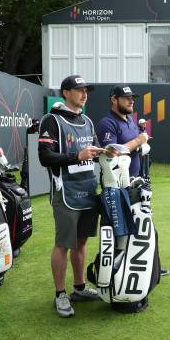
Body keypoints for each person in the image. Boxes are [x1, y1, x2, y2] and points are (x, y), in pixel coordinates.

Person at [38, 75, 104, 318]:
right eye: (79, 90)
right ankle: (60, 294)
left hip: (88, 190)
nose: (84, 94)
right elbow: (45, 157)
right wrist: (78, 156)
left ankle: (79, 287)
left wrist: (105, 153)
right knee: (63, 244)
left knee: (82, 241)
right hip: (65, 191)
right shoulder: (51, 120)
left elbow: (92, 152)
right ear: (66, 93)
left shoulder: (87, 120)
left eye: (86, 90)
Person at [96, 85, 169, 276]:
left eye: (132, 98)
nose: (131, 101)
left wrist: (141, 144)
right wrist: (138, 141)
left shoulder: (131, 121)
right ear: (114, 99)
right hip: (117, 188)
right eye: (126, 97)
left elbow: (131, 147)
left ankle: (151, 266)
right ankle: (116, 273)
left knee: (145, 227)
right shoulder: (107, 123)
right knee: (120, 233)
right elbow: (111, 153)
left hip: (136, 183)